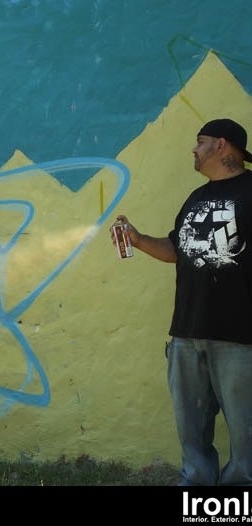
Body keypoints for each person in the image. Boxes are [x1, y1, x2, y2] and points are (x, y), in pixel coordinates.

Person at [113, 118, 252, 486]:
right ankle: (197, 488)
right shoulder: (196, 198)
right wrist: (138, 239)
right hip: (187, 332)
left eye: (200, 141)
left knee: (246, 433)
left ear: (221, 145)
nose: (194, 149)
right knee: (191, 430)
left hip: (240, 335)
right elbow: (177, 249)